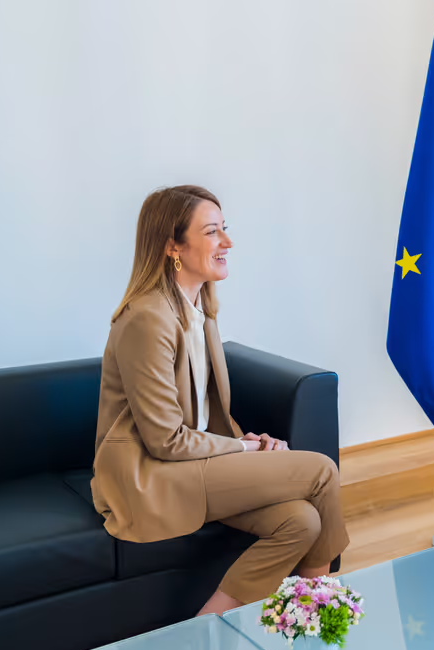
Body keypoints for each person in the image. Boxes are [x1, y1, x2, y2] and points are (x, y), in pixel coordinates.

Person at [91, 185, 349, 615]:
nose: (227, 242)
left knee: (301, 521)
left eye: (224, 229)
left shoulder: (200, 311)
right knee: (321, 471)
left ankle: (205, 629)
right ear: (172, 246)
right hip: (149, 476)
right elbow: (165, 441)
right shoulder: (147, 319)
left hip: (191, 465)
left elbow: (203, 416)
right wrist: (245, 451)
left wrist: (247, 441)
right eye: (212, 232)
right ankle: (320, 619)